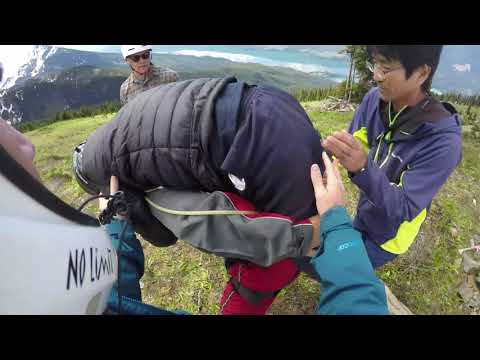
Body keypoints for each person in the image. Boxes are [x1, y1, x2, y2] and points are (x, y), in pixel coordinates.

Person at [0, 111, 388, 314]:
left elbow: (112, 299)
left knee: (249, 289)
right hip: (274, 243)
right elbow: (356, 300)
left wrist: (118, 228)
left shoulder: (47, 293)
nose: (26, 144)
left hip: (263, 259)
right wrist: (335, 227)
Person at [322, 45, 462, 268]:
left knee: (338, 268)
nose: (376, 76)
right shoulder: (375, 100)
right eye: (374, 63)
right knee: (341, 264)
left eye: (386, 68)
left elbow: (405, 207)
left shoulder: (443, 143)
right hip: (366, 211)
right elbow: (359, 136)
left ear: (422, 73)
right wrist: (329, 157)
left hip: (388, 238)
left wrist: (363, 168)